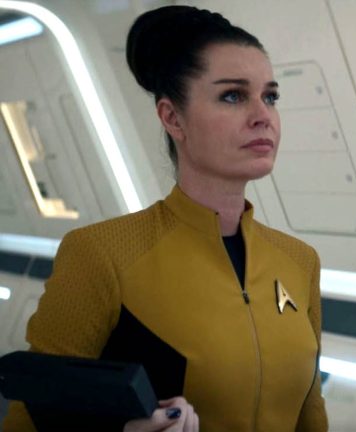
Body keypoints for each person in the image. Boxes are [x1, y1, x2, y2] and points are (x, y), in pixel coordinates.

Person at [3, 5, 327, 432]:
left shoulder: (300, 261)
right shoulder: (102, 255)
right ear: (172, 118)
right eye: (233, 96)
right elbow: (31, 417)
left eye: (270, 97)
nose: (262, 115)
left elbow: (311, 413)